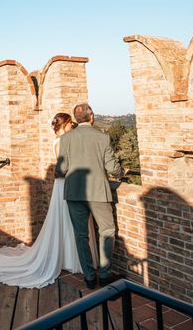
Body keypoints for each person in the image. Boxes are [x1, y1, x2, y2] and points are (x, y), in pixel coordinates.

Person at [0, 113, 96, 288]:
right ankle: (69, 258)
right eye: (70, 123)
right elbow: (63, 167)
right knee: (67, 220)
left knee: (70, 221)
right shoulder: (60, 142)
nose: (72, 125)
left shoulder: (65, 139)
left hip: (68, 183)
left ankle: (72, 257)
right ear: (64, 124)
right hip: (66, 184)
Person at [55, 103, 124, 288]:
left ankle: (89, 277)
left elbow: (61, 169)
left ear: (77, 119)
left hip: (74, 193)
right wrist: (122, 172)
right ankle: (105, 273)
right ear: (91, 117)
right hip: (98, 192)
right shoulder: (103, 137)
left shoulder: (66, 139)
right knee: (107, 231)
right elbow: (113, 168)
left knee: (81, 235)